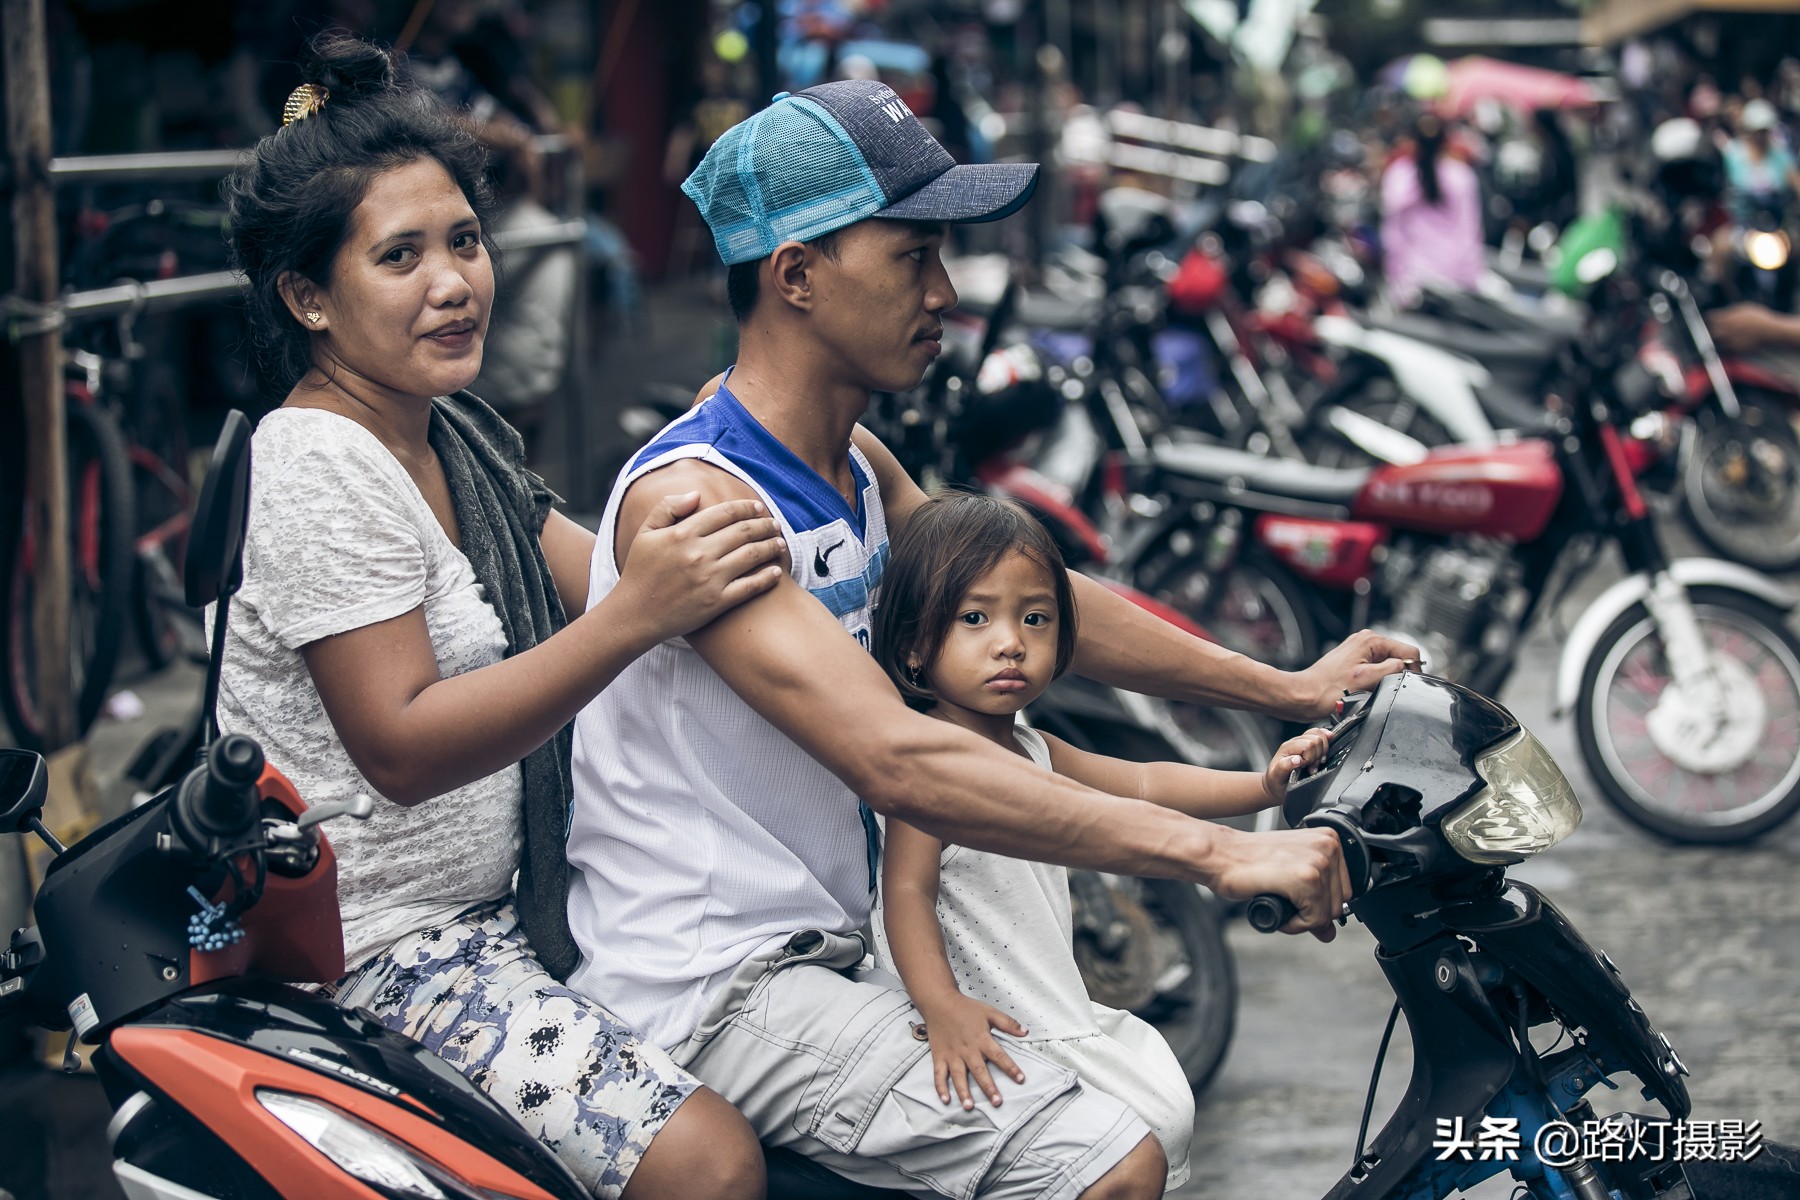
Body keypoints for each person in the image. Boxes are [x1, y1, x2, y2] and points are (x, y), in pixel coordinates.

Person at [565, 78, 1416, 1198]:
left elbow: (1036, 597)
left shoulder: (855, 464)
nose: (946, 291)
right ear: (797, 275)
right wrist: (1222, 853)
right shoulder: (702, 502)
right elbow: (898, 757)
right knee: (1110, 1159)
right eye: (913, 256)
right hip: (724, 983)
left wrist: (1286, 689)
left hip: (845, 948)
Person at [217, 36, 784, 1200]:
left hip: (524, 895)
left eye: (465, 241)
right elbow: (404, 745)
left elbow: (603, 571)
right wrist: (638, 616)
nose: (454, 282)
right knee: (711, 1164)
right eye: (401, 256)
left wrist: (722, 454)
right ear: (308, 298)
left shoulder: (452, 431)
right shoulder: (317, 462)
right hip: (388, 951)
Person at [868, 491, 1335, 1192]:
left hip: (1050, 1005)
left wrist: (1265, 786)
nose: (1010, 642)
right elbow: (906, 891)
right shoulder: (929, 765)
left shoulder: (1033, 748)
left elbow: (1145, 783)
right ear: (912, 643)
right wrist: (942, 1007)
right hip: (991, 1018)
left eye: (1034, 618)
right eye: (974, 618)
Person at [1380, 112, 1485, 307]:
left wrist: (1395, 276)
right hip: (1451, 280)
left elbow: (1392, 234)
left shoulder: (1400, 176)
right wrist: (1470, 277)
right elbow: (1470, 233)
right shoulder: (1461, 176)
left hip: (1412, 280)